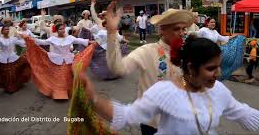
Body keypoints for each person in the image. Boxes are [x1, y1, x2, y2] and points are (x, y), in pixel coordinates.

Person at [81, 36, 259, 134]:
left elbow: (244, 113)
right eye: (211, 68)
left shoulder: (219, 91)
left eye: (218, 67)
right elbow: (128, 115)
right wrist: (93, 99)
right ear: (191, 67)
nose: (218, 74)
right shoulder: (165, 91)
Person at [105, 1, 194, 134]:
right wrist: (112, 34)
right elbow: (118, 68)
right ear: (162, 29)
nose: (182, 33)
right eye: (177, 29)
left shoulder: (186, 52)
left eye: (183, 29)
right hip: (152, 123)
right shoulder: (147, 51)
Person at [21, 23, 96, 100]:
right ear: (56, 30)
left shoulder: (70, 38)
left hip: (68, 60)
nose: (63, 30)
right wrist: (29, 38)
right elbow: (42, 42)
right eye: (60, 29)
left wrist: (90, 42)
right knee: (59, 79)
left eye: (63, 28)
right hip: (56, 60)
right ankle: (60, 94)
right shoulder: (52, 39)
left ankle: (67, 92)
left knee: (67, 78)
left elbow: (79, 40)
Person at [0, 26, 31, 93]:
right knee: (8, 74)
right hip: (4, 58)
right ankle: (9, 86)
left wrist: (29, 41)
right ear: (2, 31)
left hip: (13, 56)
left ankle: (18, 83)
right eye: (5, 29)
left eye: (8, 29)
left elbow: (22, 43)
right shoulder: (0, 40)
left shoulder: (13, 39)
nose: (7, 30)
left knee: (25, 63)